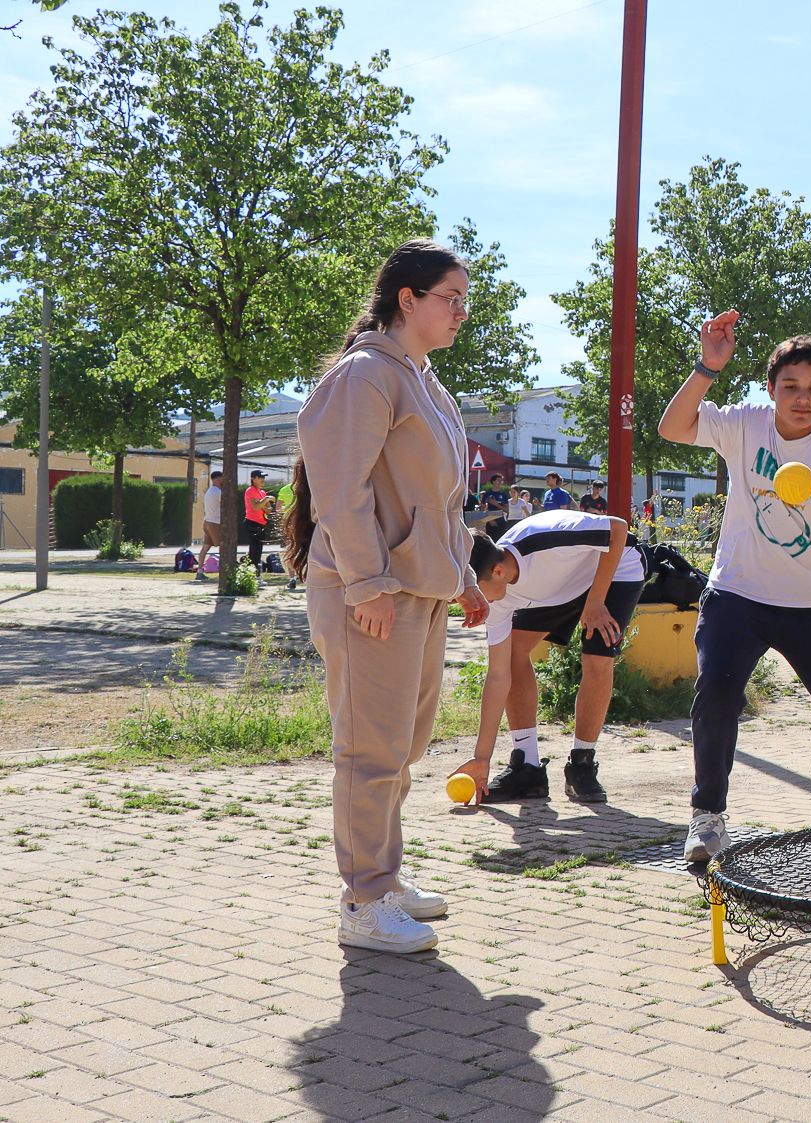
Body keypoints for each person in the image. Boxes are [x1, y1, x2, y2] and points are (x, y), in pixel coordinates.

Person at [291, 238, 491, 955]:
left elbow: (438, 499)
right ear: (408, 299)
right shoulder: (367, 375)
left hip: (421, 591)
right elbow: (338, 491)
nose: (462, 311)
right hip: (371, 593)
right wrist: (367, 582)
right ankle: (363, 897)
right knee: (370, 750)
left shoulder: (423, 379)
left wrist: (462, 573)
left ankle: (385, 878)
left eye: (466, 299)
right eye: (452, 298)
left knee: (402, 748)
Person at [658, 311, 811, 865]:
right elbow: (672, 428)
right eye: (791, 386)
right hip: (736, 599)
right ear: (770, 389)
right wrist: (707, 367)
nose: (803, 398)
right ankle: (708, 819)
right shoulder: (746, 424)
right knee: (716, 698)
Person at [451, 510, 647, 806]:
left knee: (597, 656)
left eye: (474, 590)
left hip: (615, 566)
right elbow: (498, 676)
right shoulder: (498, 594)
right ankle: (527, 767)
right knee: (514, 655)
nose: (471, 601)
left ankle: (582, 763)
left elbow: (618, 529)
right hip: (558, 586)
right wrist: (481, 757)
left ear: (499, 572)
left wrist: (595, 601)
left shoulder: (545, 540)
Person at [196, 470, 224, 580]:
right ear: (218, 479)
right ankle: (224, 572)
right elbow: (224, 506)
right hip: (215, 523)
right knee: (223, 547)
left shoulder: (209, 491)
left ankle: (199, 571)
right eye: (222, 478)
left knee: (205, 548)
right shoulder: (218, 492)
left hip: (207, 521)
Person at [242, 469, 271, 571]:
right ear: (253, 479)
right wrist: (266, 500)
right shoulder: (250, 490)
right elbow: (255, 507)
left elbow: (269, 510)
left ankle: (253, 572)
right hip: (252, 523)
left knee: (258, 550)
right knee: (254, 550)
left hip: (261, 523)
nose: (262, 480)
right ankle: (252, 573)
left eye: (263, 477)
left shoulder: (262, 493)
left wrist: (262, 503)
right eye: (260, 477)